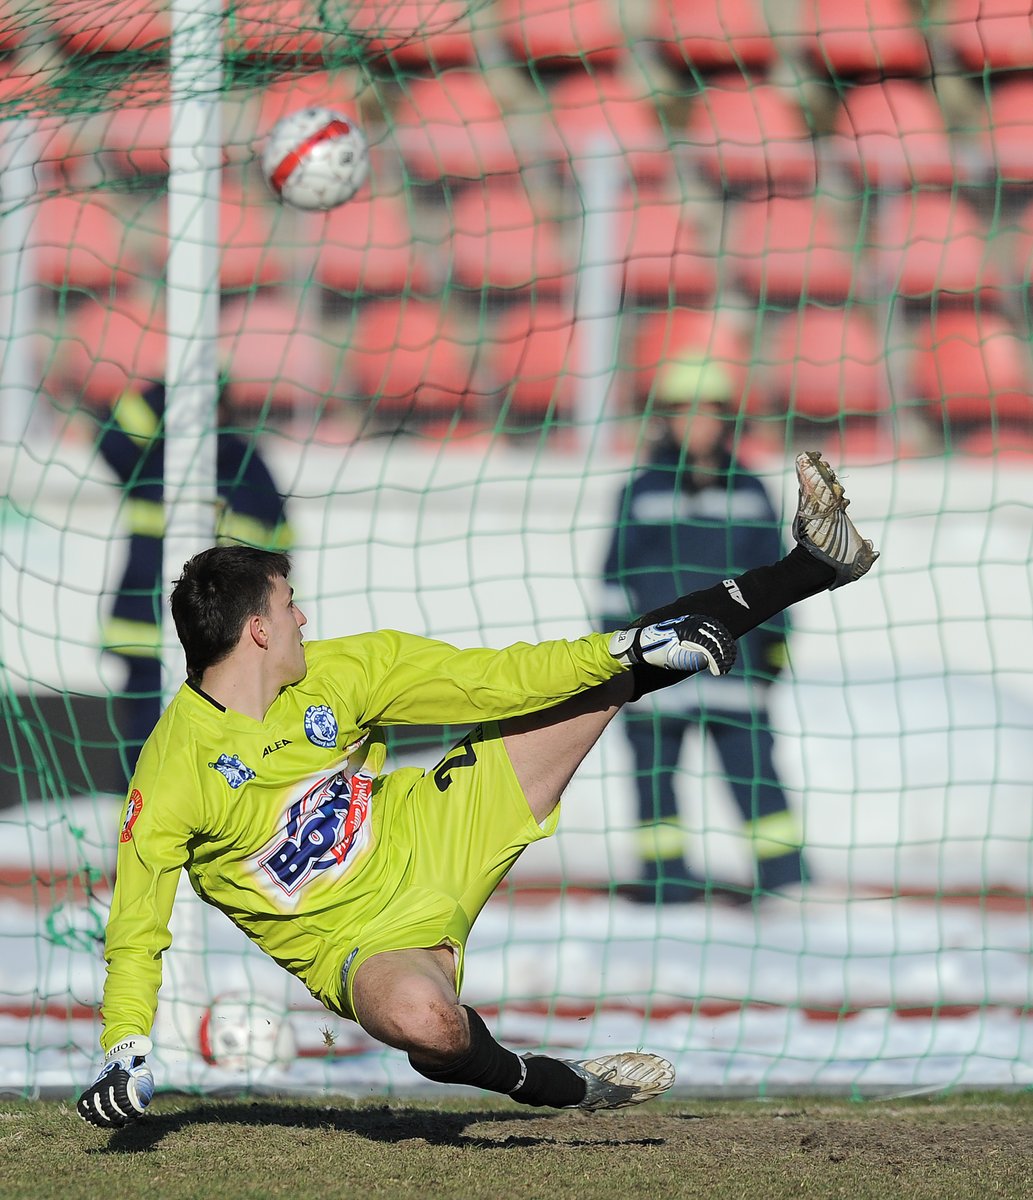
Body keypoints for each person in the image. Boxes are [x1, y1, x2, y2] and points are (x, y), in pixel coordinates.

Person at [76, 451, 878, 1128]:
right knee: (430, 1026)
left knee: (615, 673)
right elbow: (137, 923)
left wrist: (629, 643)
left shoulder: (347, 670)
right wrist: (125, 1048)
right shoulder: (174, 770)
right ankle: (556, 1082)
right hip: (356, 942)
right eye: (289, 609)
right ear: (256, 631)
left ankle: (813, 566)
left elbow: (497, 683)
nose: (303, 618)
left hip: (440, 824)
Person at [600, 357, 805, 904]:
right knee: (653, 781)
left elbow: (776, 579)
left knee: (756, 776)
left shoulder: (751, 492)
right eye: (683, 410)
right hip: (656, 672)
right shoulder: (639, 493)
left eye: (708, 411)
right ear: (663, 419)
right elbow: (613, 582)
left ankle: (786, 885)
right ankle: (666, 888)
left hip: (735, 670)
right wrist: (618, 657)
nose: (697, 423)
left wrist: (776, 652)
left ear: (726, 418)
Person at [92, 380, 292, 781]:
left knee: (208, 765)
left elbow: (276, 560)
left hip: (215, 642)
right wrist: (177, 382)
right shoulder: (156, 457)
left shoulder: (247, 467)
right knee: (144, 761)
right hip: (146, 638)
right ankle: (138, 838)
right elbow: (110, 438)